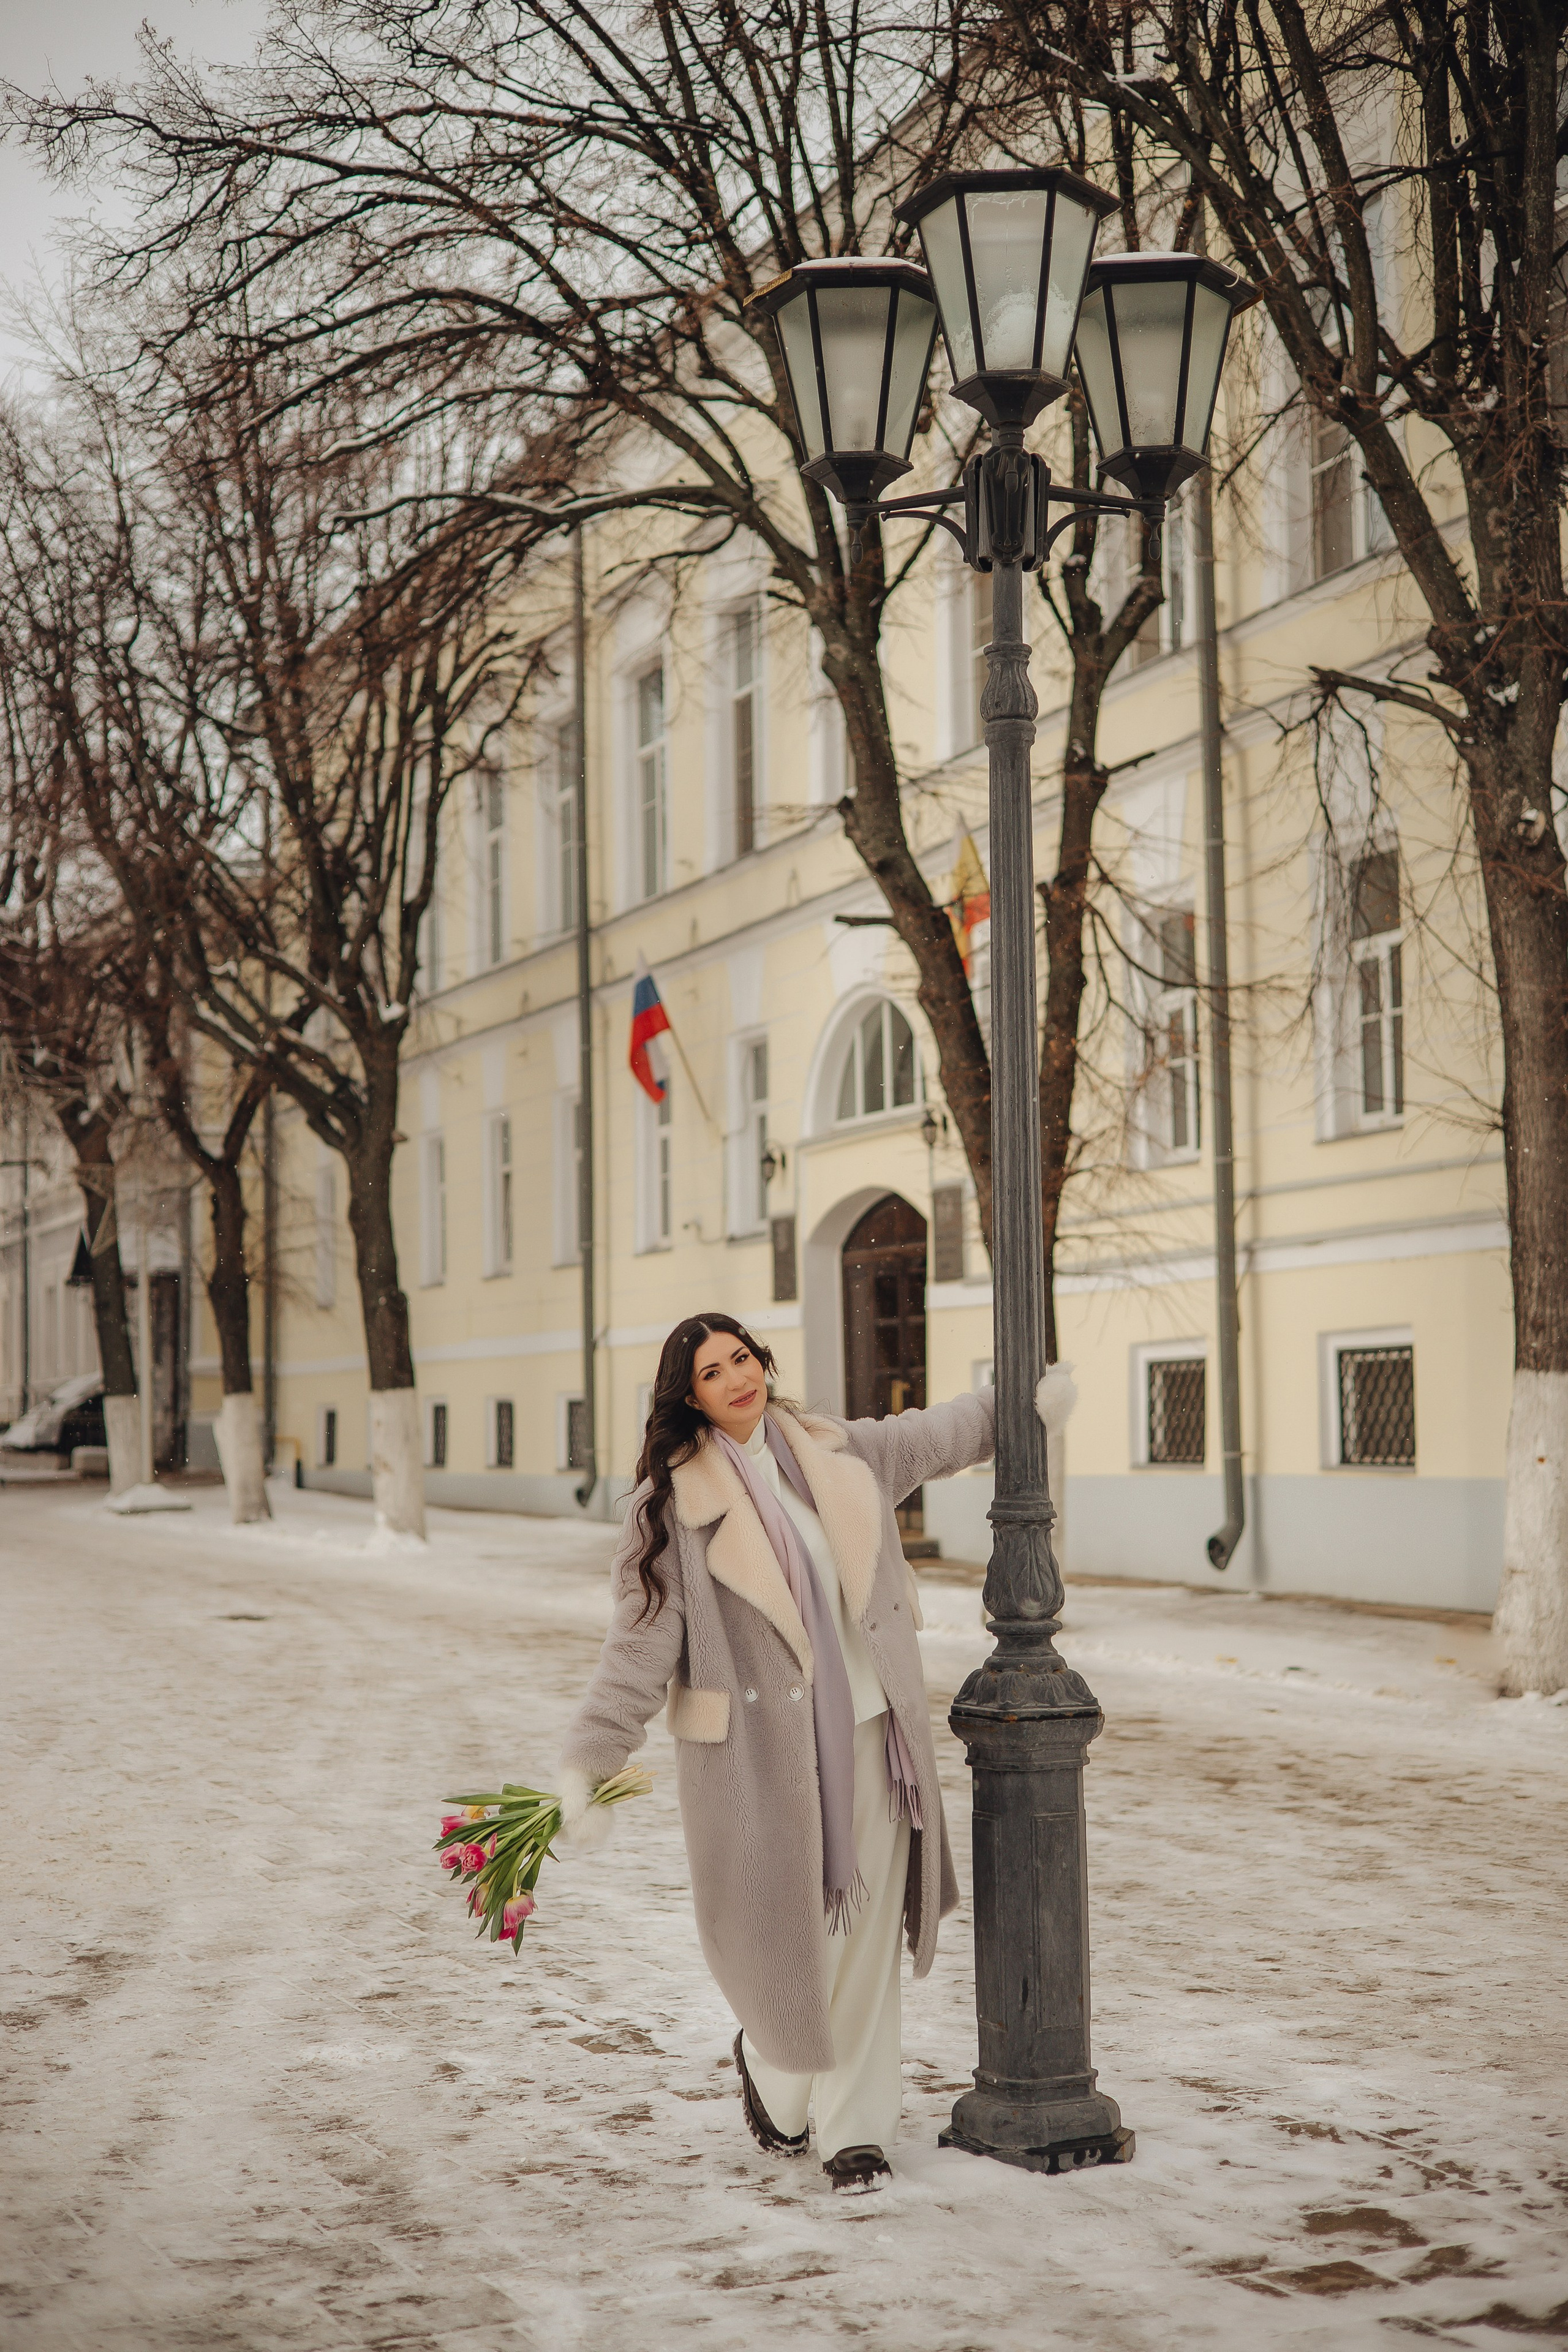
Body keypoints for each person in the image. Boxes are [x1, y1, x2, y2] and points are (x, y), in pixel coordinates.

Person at [556, 1310, 1067, 2191]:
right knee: (791, 1944)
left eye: (742, 1358)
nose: (736, 1379)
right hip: (760, 1761)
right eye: (712, 1372)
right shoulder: (671, 1509)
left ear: (763, 1362)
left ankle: (857, 2131)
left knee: (865, 1942)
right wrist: (589, 1764)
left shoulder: (836, 1451)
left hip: (874, 1735)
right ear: (690, 1398)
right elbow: (636, 1652)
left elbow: (939, 1435)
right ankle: (773, 2069)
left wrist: (1023, 1403)